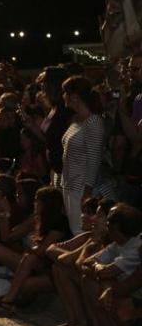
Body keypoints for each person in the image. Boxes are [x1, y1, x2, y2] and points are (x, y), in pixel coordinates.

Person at [59, 76, 105, 233]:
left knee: (82, 233)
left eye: (65, 93)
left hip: (81, 188)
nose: (63, 96)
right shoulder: (75, 120)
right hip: (69, 186)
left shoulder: (93, 122)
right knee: (75, 232)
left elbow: (94, 160)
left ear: (75, 97)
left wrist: (87, 193)